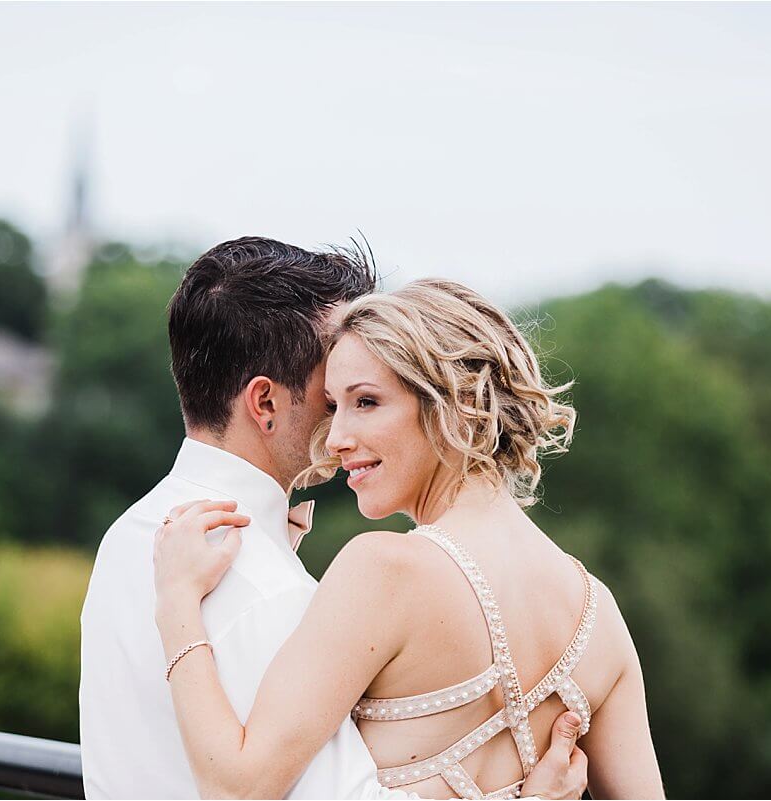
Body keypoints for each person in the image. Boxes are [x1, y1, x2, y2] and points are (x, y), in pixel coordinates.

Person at [79, 238, 589, 799]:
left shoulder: (131, 534)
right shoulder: (267, 590)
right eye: (333, 391)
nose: (344, 424)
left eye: (364, 393)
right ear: (266, 403)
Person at [153, 278, 666, 799]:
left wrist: (176, 607)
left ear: (457, 403)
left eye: (367, 402)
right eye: (333, 405)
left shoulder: (384, 569)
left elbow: (235, 789)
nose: (335, 439)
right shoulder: (599, 615)